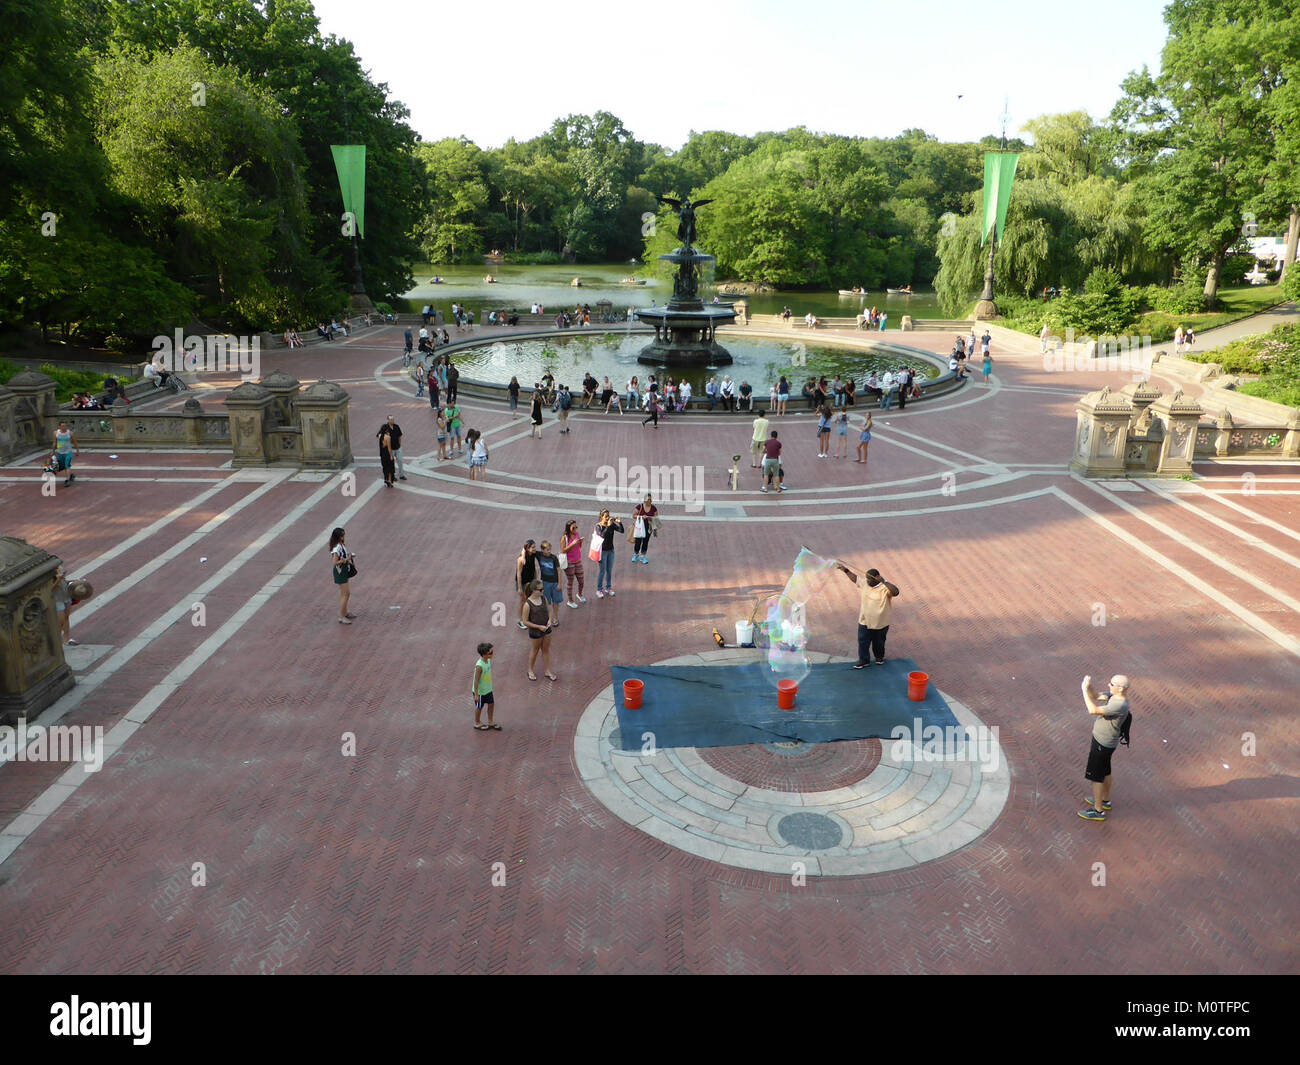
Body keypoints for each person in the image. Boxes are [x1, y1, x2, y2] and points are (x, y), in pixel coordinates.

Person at [1079, 674, 1131, 821]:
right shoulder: (1113, 697)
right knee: (1106, 771)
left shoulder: (1119, 705)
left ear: (1120, 688)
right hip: (1106, 742)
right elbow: (1095, 695)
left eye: (1112, 684)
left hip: (1103, 743)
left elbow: (1093, 710)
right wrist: (1089, 687)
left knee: (1096, 776)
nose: (1109, 685)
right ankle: (1105, 800)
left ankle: (1098, 810)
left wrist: (1083, 690)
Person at [837, 564, 899, 667]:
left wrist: (884, 581)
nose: (868, 581)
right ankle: (864, 660)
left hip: (880, 623)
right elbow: (855, 579)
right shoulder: (865, 583)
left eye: (870, 579)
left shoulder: (885, 588)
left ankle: (879, 657)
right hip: (864, 621)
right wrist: (846, 570)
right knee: (862, 642)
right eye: (867, 578)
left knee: (878, 643)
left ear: (877, 578)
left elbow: (896, 592)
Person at [521, 581, 557, 681]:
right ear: (533, 591)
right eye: (540, 590)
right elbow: (525, 621)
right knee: (535, 650)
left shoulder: (543, 598)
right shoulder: (527, 604)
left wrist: (550, 620)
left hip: (546, 628)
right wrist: (538, 627)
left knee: (546, 650)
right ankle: (530, 670)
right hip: (536, 631)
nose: (543, 591)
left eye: (543, 589)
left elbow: (549, 611)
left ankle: (548, 670)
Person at [329, 527, 357, 624]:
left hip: (343, 570)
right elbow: (335, 562)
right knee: (346, 594)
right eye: (343, 535)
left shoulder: (341, 545)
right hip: (340, 571)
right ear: (339, 537)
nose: (344, 537)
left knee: (344, 593)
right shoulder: (337, 548)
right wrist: (347, 559)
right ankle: (341, 616)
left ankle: (345, 612)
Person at [594, 509, 624, 597]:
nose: (608, 518)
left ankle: (608, 587)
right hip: (602, 552)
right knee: (602, 571)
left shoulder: (611, 524)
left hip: (611, 550)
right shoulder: (598, 526)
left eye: (608, 516)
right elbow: (602, 535)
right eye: (606, 516)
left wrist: (620, 523)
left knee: (609, 570)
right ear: (601, 517)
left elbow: (621, 531)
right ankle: (599, 589)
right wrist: (607, 526)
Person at [471, 642, 500, 730]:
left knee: (491, 704)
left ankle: (490, 721)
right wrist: (476, 694)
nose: (492, 654)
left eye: (492, 652)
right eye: (490, 653)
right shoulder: (479, 666)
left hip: (488, 689)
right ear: (484, 654)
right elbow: (476, 681)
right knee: (479, 707)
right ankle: (477, 722)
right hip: (480, 692)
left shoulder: (488, 660)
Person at [535, 541, 563, 625]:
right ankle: (548, 617)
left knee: (556, 601)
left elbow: (559, 570)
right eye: (547, 550)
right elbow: (528, 550)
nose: (549, 551)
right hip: (545, 583)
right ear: (542, 550)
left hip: (554, 583)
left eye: (550, 549)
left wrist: (559, 583)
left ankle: (555, 618)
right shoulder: (539, 555)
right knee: (546, 601)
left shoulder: (553, 558)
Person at [560, 520, 587, 607]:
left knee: (581, 581)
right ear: (569, 528)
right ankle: (570, 600)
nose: (575, 529)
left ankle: (579, 594)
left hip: (578, 561)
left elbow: (578, 547)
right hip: (569, 562)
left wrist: (580, 542)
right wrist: (572, 544)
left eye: (576, 527)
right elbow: (563, 550)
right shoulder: (564, 537)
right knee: (570, 582)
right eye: (573, 527)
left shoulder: (576, 534)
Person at [630, 494, 658, 564]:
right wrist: (641, 517)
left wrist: (650, 518)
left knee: (645, 542)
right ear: (645, 500)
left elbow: (656, 518)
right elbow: (633, 515)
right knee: (638, 542)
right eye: (648, 499)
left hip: (649, 528)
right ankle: (636, 554)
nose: (650, 500)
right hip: (639, 528)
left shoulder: (654, 508)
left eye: (650, 499)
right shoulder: (640, 507)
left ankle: (643, 556)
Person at [515, 540, 537, 627]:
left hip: (530, 581)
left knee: (530, 599)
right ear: (527, 548)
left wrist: (535, 580)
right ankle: (520, 620)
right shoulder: (521, 559)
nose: (534, 549)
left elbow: (534, 568)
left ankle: (527, 617)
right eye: (533, 547)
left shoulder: (533, 555)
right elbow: (518, 574)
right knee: (523, 601)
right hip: (523, 582)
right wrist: (520, 588)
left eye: (535, 547)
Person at [378, 415, 405, 481]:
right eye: (390, 419)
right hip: (390, 449)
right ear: (388, 420)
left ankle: (401, 475)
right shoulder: (385, 427)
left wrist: (400, 444)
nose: (392, 420)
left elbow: (400, 435)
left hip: (398, 448)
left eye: (393, 419)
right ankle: (393, 476)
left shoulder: (396, 426)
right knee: (391, 463)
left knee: (400, 461)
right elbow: (379, 435)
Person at [53, 421, 79, 487]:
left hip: (68, 452)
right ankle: (71, 475)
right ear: (59, 426)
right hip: (59, 452)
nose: (64, 427)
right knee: (63, 466)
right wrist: (53, 451)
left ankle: (67, 480)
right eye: (62, 426)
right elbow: (54, 442)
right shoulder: (56, 433)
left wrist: (77, 450)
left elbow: (74, 442)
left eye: (65, 426)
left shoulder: (70, 433)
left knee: (67, 465)